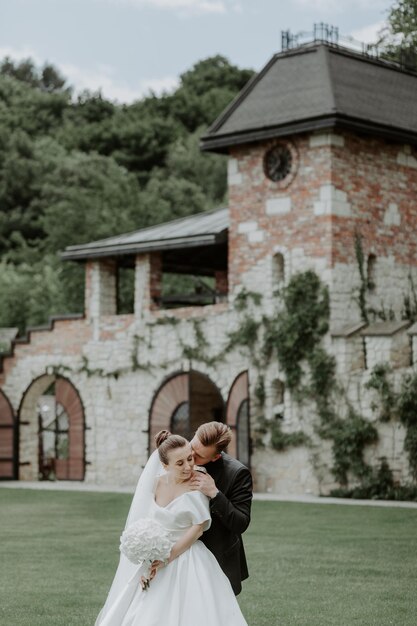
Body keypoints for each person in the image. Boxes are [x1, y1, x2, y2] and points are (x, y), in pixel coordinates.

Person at [95, 430, 248, 626]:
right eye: (180, 463)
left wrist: (168, 556)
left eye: (190, 458)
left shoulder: (197, 481)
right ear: (164, 466)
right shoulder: (155, 483)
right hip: (158, 554)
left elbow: (198, 528)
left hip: (187, 557)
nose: (188, 466)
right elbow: (149, 525)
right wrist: (149, 561)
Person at [190, 421, 253, 595]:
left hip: (218, 556)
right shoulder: (178, 458)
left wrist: (215, 494)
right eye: (192, 447)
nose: (191, 456)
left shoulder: (237, 473)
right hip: (181, 553)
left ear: (216, 457)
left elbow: (241, 522)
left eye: (199, 456)